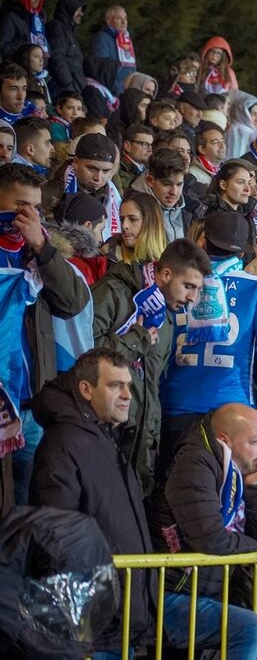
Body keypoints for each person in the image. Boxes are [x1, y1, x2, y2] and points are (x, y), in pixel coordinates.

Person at [29, 349, 155, 654]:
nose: (127, 395)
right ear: (86, 389)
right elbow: (57, 536)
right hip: (96, 629)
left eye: (128, 385)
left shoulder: (110, 438)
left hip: (126, 620)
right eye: (115, 386)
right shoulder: (64, 443)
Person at [147, 404, 257, 659]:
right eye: (255, 442)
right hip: (169, 591)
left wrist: (255, 488)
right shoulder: (194, 462)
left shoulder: (234, 469)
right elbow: (211, 539)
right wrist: (256, 549)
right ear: (224, 440)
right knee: (248, 629)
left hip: (201, 588)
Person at [159, 211, 257, 475]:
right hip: (233, 410)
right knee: (224, 499)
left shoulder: (179, 282)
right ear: (242, 253)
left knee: (173, 493)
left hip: (175, 404)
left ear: (202, 242)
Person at [1, 164, 92, 511]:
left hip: (31, 402)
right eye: (21, 205)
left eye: (36, 208)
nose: (29, 215)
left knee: (29, 504)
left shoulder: (40, 253)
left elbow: (72, 303)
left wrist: (42, 247)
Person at [91, 237, 209, 492]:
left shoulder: (166, 317)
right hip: (102, 436)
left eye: (198, 290)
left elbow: (151, 385)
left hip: (140, 446)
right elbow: (88, 353)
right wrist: (137, 339)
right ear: (165, 274)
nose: (192, 298)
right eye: (188, 286)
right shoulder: (113, 292)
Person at [89, 6, 135, 94]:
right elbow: (101, 69)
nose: (123, 22)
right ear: (109, 21)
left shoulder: (126, 40)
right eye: (119, 18)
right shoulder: (102, 38)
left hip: (127, 92)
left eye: (125, 18)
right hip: (113, 93)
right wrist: (118, 90)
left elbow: (132, 68)